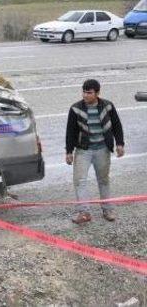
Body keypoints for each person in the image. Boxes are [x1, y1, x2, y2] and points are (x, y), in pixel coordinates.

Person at [66, 79, 124, 224]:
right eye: (84, 92)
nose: (85, 95)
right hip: (83, 151)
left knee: (103, 180)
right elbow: (70, 132)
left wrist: (120, 143)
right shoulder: (75, 108)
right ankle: (84, 213)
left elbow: (117, 125)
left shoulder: (108, 106)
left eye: (89, 92)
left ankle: (107, 209)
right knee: (79, 181)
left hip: (103, 150)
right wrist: (69, 151)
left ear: (97, 93)